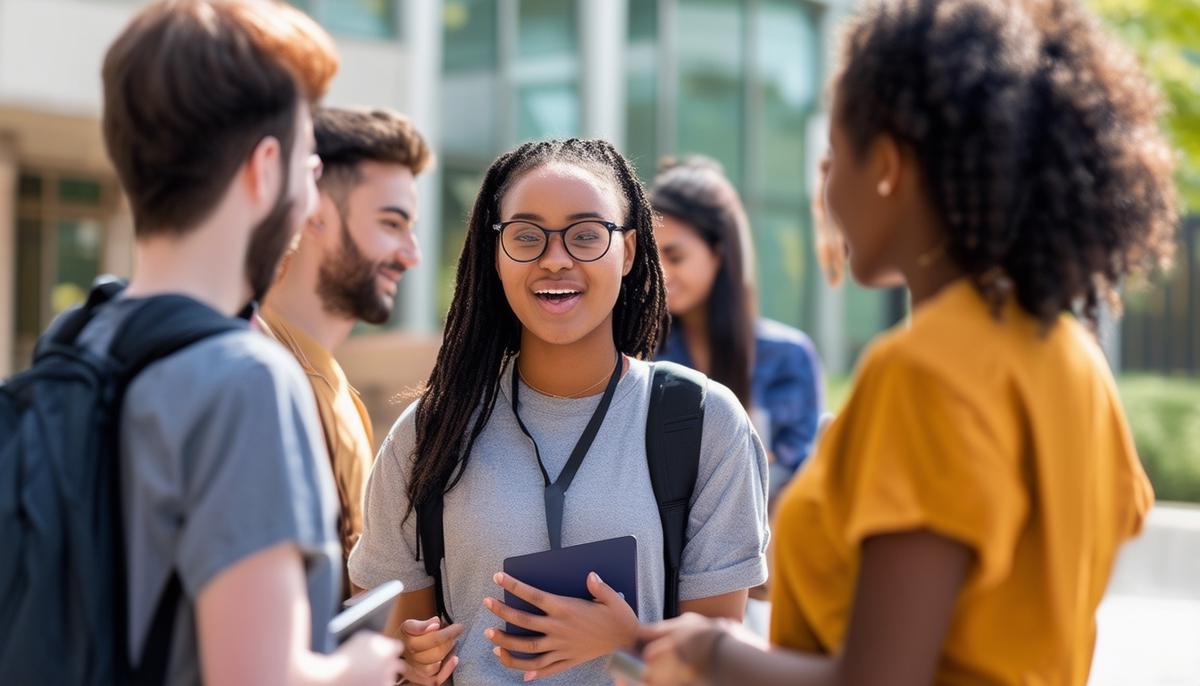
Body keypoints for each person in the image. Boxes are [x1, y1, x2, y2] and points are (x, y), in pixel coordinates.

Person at [629, 0, 1177, 684]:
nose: (825, 194)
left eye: (834, 160)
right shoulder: (1073, 357)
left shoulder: (926, 370)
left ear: (886, 163)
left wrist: (708, 652)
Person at [348, 138, 770, 685]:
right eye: (526, 236)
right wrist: (410, 663)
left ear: (630, 250)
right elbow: (386, 649)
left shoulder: (704, 423)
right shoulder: (429, 434)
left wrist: (628, 640)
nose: (555, 259)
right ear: (494, 253)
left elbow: (719, 671)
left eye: (586, 235)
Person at [80, 1, 407, 683]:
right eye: (308, 162)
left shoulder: (77, 345)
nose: (312, 187)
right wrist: (362, 667)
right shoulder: (246, 381)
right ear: (264, 168)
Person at [259, 106, 432, 599]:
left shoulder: (330, 383)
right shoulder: (254, 374)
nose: (412, 254)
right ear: (313, 212)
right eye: (391, 223)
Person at [651, 156, 824, 497]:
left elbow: (795, 479)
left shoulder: (788, 358)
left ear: (719, 252)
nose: (661, 273)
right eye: (652, 258)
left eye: (675, 256)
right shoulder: (644, 355)